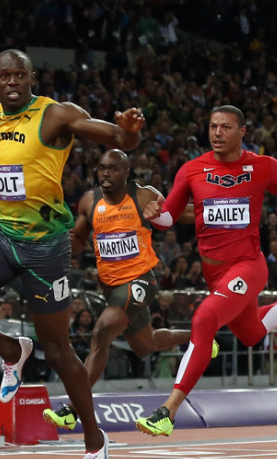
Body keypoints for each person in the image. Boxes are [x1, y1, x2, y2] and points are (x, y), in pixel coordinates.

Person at [0, 49, 145, 459]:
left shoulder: (56, 115)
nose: (12, 81)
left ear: (31, 78)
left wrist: (128, 132)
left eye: (19, 74)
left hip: (46, 248)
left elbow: (113, 138)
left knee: (59, 351)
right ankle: (10, 350)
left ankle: (94, 442)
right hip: (2, 235)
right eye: (4, 75)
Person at [134, 105, 277, 437]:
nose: (217, 133)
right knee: (252, 333)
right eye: (213, 127)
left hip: (248, 267)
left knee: (204, 319)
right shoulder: (191, 170)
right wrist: (154, 213)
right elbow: (168, 219)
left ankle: (167, 410)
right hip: (214, 273)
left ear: (242, 131)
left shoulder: (261, 166)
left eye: (225, 127)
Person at [42, 149, 213, 430]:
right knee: (145, 346)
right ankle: (202, 339)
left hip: (141, 281)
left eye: (112, 168)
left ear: (126, 173)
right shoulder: (89, 200)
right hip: (111, 285)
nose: (105, 174)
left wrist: (214, 211)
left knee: (102, 333)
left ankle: (73, 409)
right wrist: (59, 237)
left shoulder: (144, 195)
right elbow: (78, 244)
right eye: (101, 168)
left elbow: (181, 214)